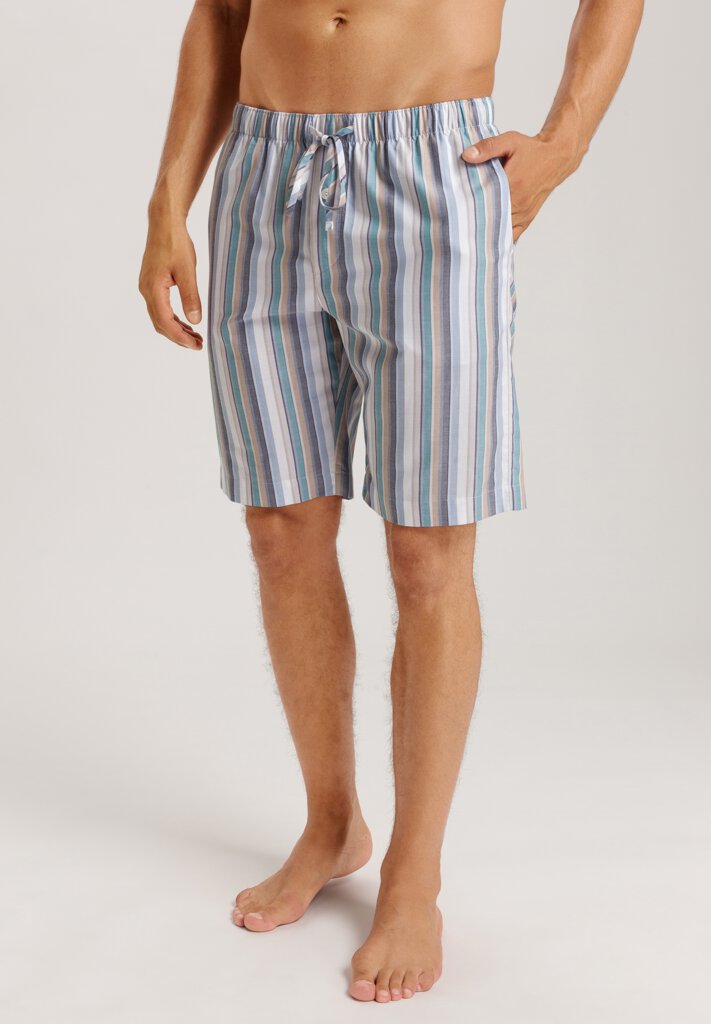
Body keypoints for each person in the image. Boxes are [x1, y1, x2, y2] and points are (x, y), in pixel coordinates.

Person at [139, 0, 643, 1004]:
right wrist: (167, 205)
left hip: (432, 168)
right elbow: (221, 12)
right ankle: (332, 823)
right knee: (282, 528)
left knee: (426, 551)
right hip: (265, 170)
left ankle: (415, 877)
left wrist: (565, 142)